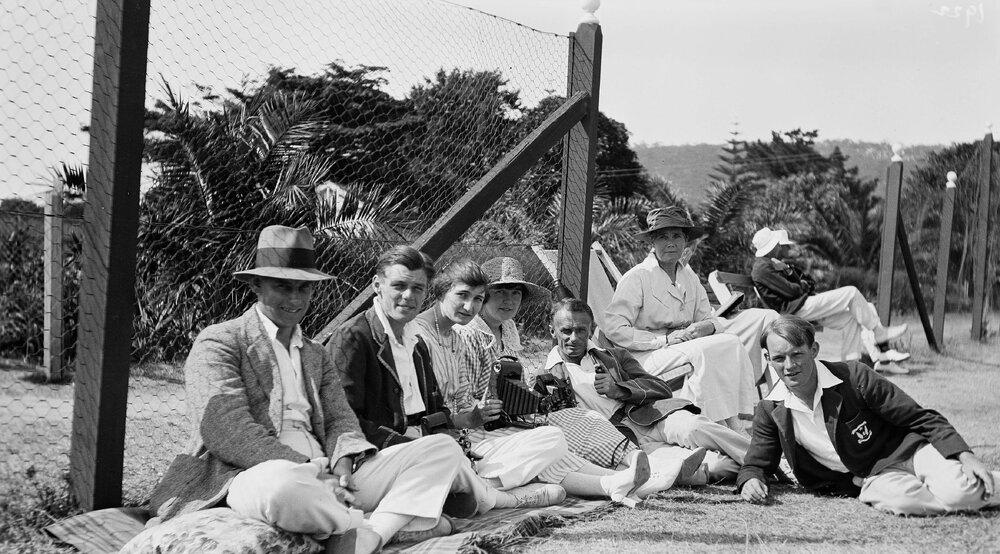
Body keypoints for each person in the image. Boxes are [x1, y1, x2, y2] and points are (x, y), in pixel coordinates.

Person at [147, 226, 481, 554]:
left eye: (303, 289)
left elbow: (340, 420)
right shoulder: (220, 341)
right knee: (284, 488)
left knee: (442, 449)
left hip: (331, 481)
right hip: (252, 473)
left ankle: (369, 535)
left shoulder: (314, 353)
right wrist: (308, 469)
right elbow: (226, 430)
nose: (295, 299)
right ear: (256, 285)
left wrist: (342, 468)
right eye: (283, 286)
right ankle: (379, 525)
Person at [326, 247, 649, 508]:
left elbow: (446, 408)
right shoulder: (400, 336)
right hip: (404, 448)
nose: (470, 306)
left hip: (451, 437)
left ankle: (612, 481)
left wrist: (465, 419)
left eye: (477, 299)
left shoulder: (424, 339)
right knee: (551, 436)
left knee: (553, 436)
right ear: (440, 293)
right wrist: (456, 424)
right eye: (464, 296)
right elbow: (347, 419)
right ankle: (493, 494)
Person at [415, 258, 682, 506]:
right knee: (553, 438)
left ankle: (617, 481)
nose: (508, 300)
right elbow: (465, 401)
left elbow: (505, 382)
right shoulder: (463, 334)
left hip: (497, 419)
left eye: (515, 293)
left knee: (565, 432)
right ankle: (617, 479)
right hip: (472, 431)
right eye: (499, 292)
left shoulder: (505, 330)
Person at [738, 315, 999, 515]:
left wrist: (966, 456)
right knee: (903, 501)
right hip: (872, 479)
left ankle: (968, 485)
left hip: (910, 451)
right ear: (767, 358)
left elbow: (919, 417)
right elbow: (756, 464)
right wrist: (750, 481)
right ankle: (954, 489)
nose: (790, 366)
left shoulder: (854, 376)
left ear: (814, 350)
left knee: (960, 492)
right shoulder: (770, 408)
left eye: (797, 354)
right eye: (780, 358)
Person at [538, 298, 754, 483]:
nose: (573, 338)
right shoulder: (546, 378)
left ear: (592, 330)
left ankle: (761, 461)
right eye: (566, 331)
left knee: (695, 427)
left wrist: (619, 390)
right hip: (624, 441)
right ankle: (744, 470)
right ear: (552, 330)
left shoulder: (613, 356)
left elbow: (661, 388)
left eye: (580, 330)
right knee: (718, 467)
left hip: (652, 418)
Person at [604, 206, 758, 428]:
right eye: (663, 237)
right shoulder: (637, 277)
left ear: (686, 241)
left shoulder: (688, 276)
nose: (671, 243)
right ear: (652, 242)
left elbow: (710, 317)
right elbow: (614, 328)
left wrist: (707, 327)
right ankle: (702, 422)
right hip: (646, 353)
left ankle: (731, 420)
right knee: (703, 352)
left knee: (731, 342)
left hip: (682, 346)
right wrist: (664, 340)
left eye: (677, 236)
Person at [750, 227, 911, 374]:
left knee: (850, 319)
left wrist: (790, 273)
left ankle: (851, 369)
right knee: (851, 292)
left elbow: (800, 285)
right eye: (777, 244)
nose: (780, 246)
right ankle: (879, 332)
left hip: (801, 305)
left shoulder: (770, 264)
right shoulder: (762, 268)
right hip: (796, 309)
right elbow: (793, 290)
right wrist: (800, 284)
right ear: (772, 246)